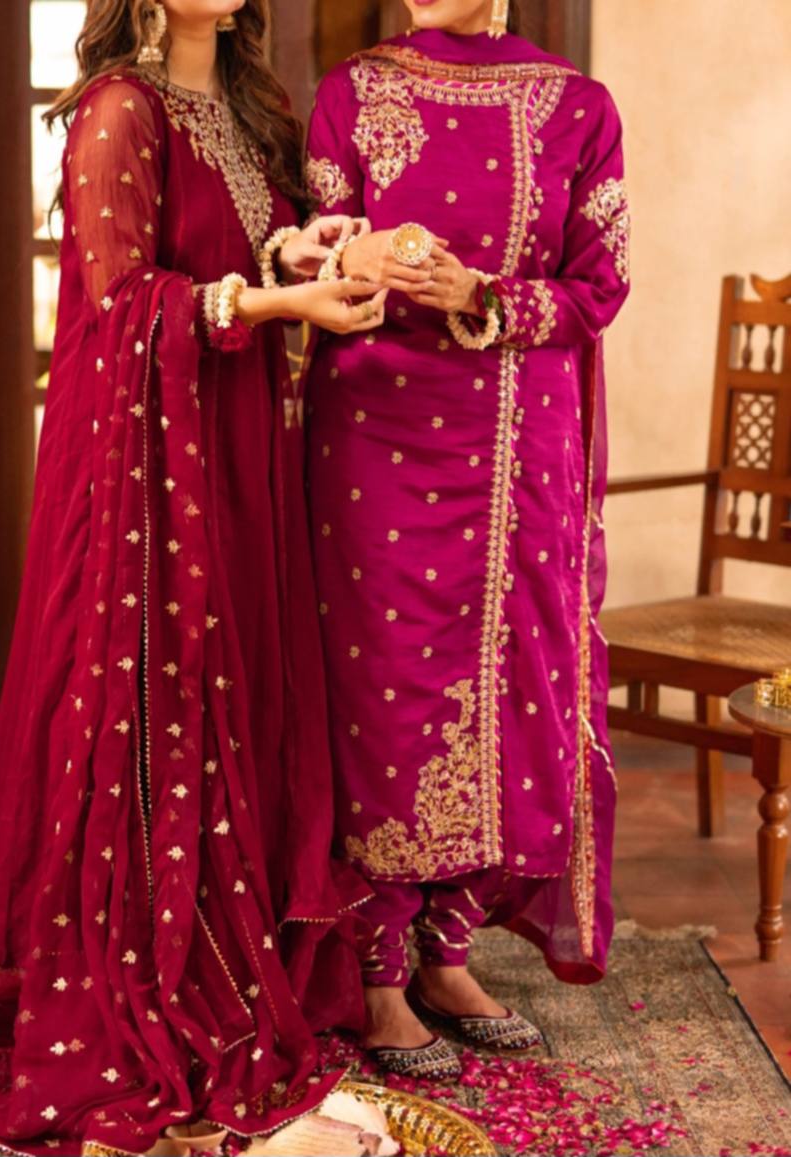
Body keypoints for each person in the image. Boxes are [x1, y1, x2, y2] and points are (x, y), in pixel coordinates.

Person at [0, 2, 387, 1152]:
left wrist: (295, 255)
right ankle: (139, 965)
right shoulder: (119, 111)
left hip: (231, 442)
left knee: (233, 686)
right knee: (154, 696)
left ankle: (227, 945)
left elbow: (229, 253)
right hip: (147, 465)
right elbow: (123, 298)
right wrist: (282, 304)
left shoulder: (239, 103)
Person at [303, 0, 630, 1077]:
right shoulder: (355, 93)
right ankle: (377, 971)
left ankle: (449, 952)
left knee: (509, 688)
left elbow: (598, 286)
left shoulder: (576, 105)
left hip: (517, 442)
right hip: (375, 433)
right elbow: (318, 256)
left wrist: (484, 292)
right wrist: (365, 261)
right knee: (383, 689)